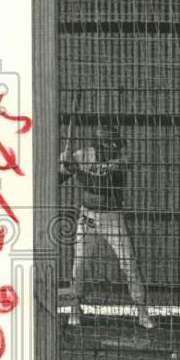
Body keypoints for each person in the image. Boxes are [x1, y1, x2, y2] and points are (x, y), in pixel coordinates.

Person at [60, 120, 154, 330]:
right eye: (109, 145)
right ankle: (74, 310)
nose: (115, 149)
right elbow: (58, 179)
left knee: (129, 264)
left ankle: (142, 312)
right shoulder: (82, 155)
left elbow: (102, 185)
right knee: (79, 265)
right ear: (99, 144)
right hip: (88, 218)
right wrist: (64, 165)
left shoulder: (121, 160)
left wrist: (78, 171)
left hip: (113, 218)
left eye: (115, 145)